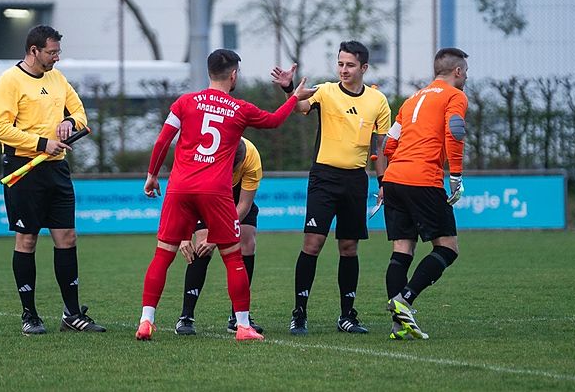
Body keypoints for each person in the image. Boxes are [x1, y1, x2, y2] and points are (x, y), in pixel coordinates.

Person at [137, 49, 316, 341]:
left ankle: (146, 320)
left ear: (209, 72)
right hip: (215, 191)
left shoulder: (185, 102)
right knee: (233, 258)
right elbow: (274, 121)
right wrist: (294, 96)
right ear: (233, 75)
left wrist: (152, 175)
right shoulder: (239, 108)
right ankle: (243, 325)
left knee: (162, 255)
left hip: (180, 188)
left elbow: (162, 140)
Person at [0, 24, 106, 335]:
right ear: (33, 51)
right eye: (51, 52)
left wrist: (69, 122)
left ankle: (72, 314)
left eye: (58, 52)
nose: (57, 57)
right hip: (23, 169)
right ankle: (29, 315)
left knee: (67, 237)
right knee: (27, 240)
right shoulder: (10, 81)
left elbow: (80, 114)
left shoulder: (58, 78)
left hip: (56, 169)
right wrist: (42, 143)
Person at [271, 40, 392, 335]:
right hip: (324, 179)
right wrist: (288, 88)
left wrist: (384, 182)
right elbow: (300, 106)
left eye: (350, 65)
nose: (343, 70)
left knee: (349, 248)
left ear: (364, 67)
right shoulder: (325, 91)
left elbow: (381, 147)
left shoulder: (378, 101)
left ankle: (347, 315)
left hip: (356, 181)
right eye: (340, 64)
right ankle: (299, 313)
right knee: (312, 243)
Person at [381, 47, 469, 340]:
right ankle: (404, 299)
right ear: (457, 71)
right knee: (448, 248)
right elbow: (455, 131)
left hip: (394, 178)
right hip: (423, 179)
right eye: (465, 72)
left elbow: (389, 144)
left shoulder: (412, 99)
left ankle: (398, 324)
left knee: (402, 251)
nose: (466, 77)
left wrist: (391, 174)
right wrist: (455, 176)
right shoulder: (455, 96)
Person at [175, 137, 264, 335]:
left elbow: (244, 205)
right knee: (202, 244)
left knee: (247, 242)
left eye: (234, 169)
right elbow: (184, 199)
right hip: (206, 192)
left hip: (237, 197)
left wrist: (217, 238)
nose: (231, 173)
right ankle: (186, 317)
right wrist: (183, 235)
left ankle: (239, 316)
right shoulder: (202, 156)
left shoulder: (252, 158)